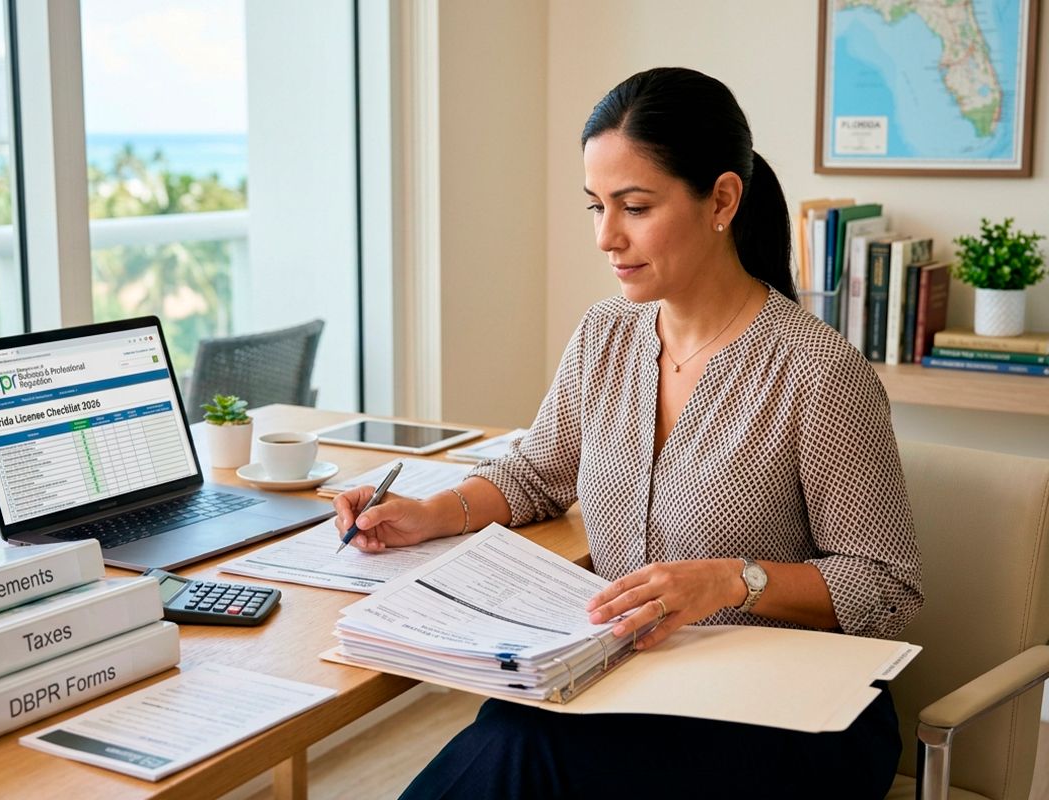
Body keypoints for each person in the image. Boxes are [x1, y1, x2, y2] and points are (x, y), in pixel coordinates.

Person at [333, 67, 923, 799]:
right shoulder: (604, 335)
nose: (607, 237)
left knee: (524, 752)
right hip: (642, 682)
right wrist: (427, 513)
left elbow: (888, 587)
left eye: (635, 207)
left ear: (723, 200)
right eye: (596, 205)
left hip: (791, 718)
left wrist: (734, 578)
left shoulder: (816, 371)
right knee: (514, 734)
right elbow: (533, 475)